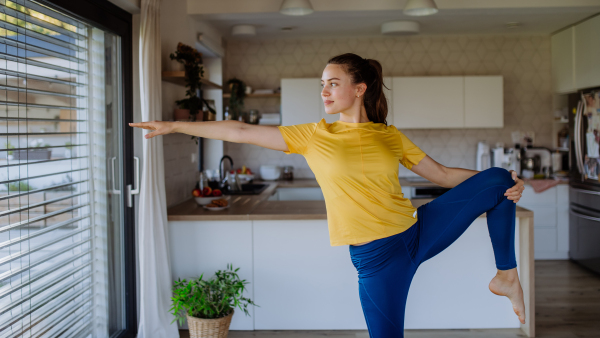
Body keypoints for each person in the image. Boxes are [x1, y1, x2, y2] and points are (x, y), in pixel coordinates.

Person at [130, 52, 526, 338]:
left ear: (359, 88)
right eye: (321, 85)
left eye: (332, 83)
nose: (324, 91)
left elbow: (440, 174)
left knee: (498, 179)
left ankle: (506, 276)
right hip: (377, 256)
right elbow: (240, 131)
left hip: (416, 231)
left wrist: (509, 183)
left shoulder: (389, 135)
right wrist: (175, 127)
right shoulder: (314, 135)